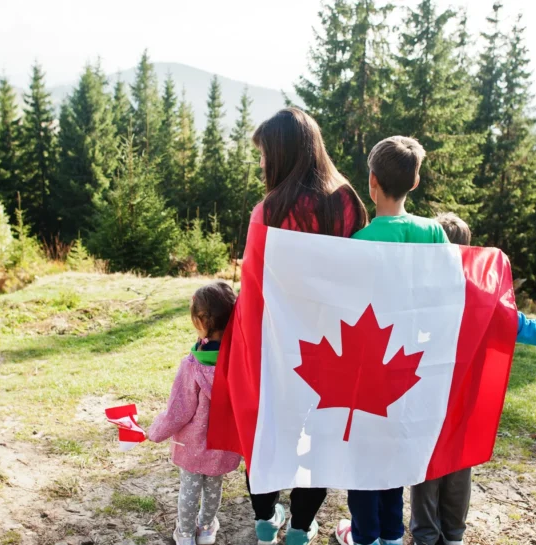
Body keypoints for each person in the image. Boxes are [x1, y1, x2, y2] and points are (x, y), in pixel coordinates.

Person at [405, 212, 536, 545]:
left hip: (427, 399)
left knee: (427, 469)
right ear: (468, 251)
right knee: (458, 466)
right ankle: (452, 535)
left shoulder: (417, 296)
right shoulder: (487, 299)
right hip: (466, 404)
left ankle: (427, 536)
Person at [242, 108, 369, 545]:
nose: (261, 165)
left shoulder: (269, 210)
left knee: (269, 431)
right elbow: (362, 274)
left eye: (263, 156)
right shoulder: (348, 201)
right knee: (321, 437)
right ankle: (299, 528)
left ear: (281, 154)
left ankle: (264, 522)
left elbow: (254, 287)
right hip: (332, 344)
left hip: (278, 345)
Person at [331, 136, 447, 545]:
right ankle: (393, 536)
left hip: (365, 370)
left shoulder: (358, 243)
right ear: (414, 184)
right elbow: (448, 295)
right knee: (396, 455)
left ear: (371, 182)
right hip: (414, 368)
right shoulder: (433, 232)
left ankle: (364, 536)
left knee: (363, 460)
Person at [148, 281, 243, 545]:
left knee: (189, 489)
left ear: (201, 320)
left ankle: (186, 534)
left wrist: (155, 431)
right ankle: (206, 529)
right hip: (222, 444)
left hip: (192, 444)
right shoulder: (240, 360)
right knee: (213, 488)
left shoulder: (192, 366)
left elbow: (178, 411)